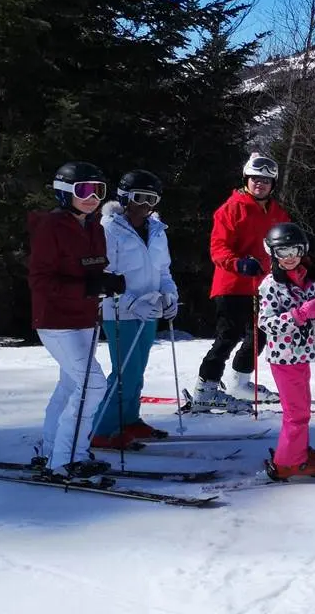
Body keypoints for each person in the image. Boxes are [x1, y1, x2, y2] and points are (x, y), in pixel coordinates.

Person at [27, 161, 124, 480]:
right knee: (93, 384)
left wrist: (108, 281)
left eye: (99, 190)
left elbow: (92, 269)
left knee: (70, 385)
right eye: (84, 190)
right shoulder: (50, 227)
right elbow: (41, 281)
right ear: (64, 192)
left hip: (85, 319)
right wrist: (88, 287)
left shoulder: (94, 226)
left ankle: (53, 449)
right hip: (56, 321)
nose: (93, 197)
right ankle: (66, 457)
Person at [193, 153, 291, 411]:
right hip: (233, 284)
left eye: (266, 181)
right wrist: (238, 263)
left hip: (263, 285)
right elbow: (218, 248)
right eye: (255, 179)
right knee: (229, 335)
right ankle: (206, 389)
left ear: (273, 185)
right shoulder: (231, 208)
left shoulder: (277, 213)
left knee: (261, 332)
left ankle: (240, 381)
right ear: (246, 179)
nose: (260, 184)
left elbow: (286, 243)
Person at [89, 170, 179, 449]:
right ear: (125, 197)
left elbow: (163, 269)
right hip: (120, 312)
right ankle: (103, 429)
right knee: (124, 371)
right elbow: (105, 275)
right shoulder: (109, 228)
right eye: (139, 197)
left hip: (150, 310)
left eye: (152, 199)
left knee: (137, 371)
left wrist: (170, 294)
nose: (145, 205)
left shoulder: (156, 230)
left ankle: (129, 420)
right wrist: (129, 302)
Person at [257, 222, 315, 480]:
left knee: (302, 410)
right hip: (284, 358)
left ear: (303, 250)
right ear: (273, 254)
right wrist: (297, 315)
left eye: (294, 251)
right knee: (296, 413)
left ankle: (298, 451)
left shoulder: (310, 280)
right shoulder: (270, 286)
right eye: (282, 252)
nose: (289, 258)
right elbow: (266, 323)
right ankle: (287, 463)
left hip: (304, 355)